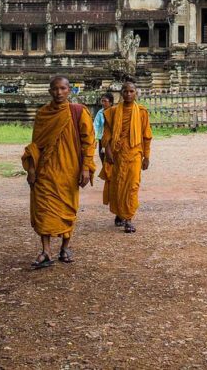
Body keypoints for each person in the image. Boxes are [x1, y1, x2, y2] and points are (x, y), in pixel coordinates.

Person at [21, 75, 95, 269]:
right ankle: (46, 251)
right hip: (45, 170)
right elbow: (35, 145)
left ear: (69, 90)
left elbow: (88, 141)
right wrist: (31, 168)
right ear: (49, 91)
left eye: (63, 89)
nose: (59, 92)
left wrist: (86, 167)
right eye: (55, 89)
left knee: (67, 209)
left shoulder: (78, 112)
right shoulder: (43, 114)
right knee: (43, 209)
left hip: (69, 169)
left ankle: (65, 247)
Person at [100, 81, 152, 234]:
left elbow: (146, 136)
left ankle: (128, 218)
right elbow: (107, 134)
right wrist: (108, 151)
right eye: (126, 91)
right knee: (118, 184)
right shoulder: (113, 112)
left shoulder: (142, 112)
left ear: (136, 93)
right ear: (121, 93)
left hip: (135, 153)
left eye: (131, 91)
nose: (128, 94)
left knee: (132, 185)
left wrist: (147, 157)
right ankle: (119, 212)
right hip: (117, 153)